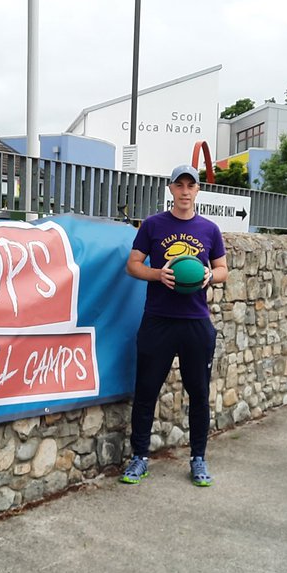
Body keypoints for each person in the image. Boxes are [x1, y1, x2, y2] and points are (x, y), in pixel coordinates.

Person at [121, 164, 229, 488]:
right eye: (179, 185)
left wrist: (211, 275)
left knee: (198, 393)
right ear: (171, 189)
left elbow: (223, 269)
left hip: (196, 322)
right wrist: (158, 274)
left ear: (197, 191)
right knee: (146, 392)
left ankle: (198, 458)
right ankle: (140, 456)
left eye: (190, 186)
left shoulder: (209, 229)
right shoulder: (153, 225)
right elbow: (132, 265)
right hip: (158, 320)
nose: (185, 191)